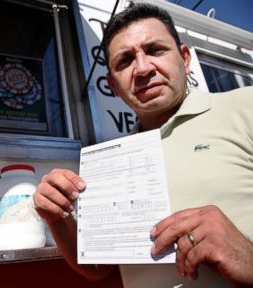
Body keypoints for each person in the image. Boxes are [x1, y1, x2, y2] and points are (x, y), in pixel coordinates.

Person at [33, 2, 253, 287]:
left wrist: (245, 257)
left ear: (185, 58)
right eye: (124, 61)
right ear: (113, 85)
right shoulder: (111, 161)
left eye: (156, 50)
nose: (143, 68)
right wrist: (57, 219)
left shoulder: (245, 106)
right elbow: (99, 269)